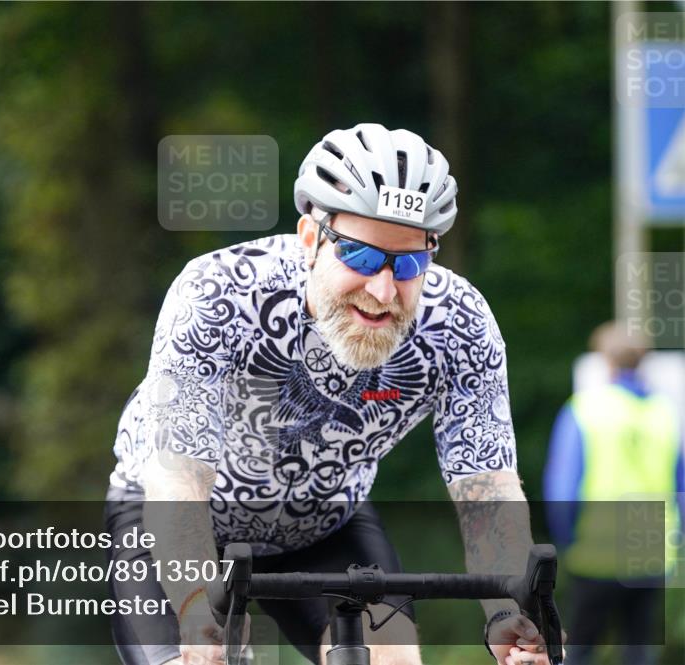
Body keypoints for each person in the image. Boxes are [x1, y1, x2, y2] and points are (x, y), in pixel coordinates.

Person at [105, 123, 553, 665]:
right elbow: (179, 477)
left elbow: (486, 485)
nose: (383, 291)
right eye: (362, 258)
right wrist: (197, 603)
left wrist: (509, 612)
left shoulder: (458, 324)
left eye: (409, 264)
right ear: (312, 237)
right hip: (183, 515)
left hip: (327, 521)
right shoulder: (218, 293)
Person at [544, 322, 684, 665]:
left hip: (595, 553)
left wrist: (566, 540)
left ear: (604, 361)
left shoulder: (584, 409)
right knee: (638, 649)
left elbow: (562, 491)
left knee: (579, 650)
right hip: (650, 552)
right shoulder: (665, 414)